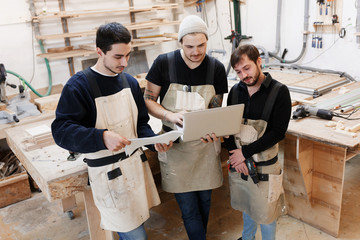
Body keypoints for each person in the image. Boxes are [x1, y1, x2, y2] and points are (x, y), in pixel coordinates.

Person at [51, 22, 172, 240]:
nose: (124, 62)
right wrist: (101, 136)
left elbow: (141, 124)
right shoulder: (79, 86)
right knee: (136, 236)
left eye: (128, 55)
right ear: (99, 52)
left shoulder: (130, 83)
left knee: (138, 222)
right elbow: (61, 131)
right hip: (108, 176)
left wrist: (154, 141)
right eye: (117, 57)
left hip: (135, 169)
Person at [144, 15, 228, 240]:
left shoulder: (216, 69)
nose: (196, 52)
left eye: (201, 45)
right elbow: (148, 100)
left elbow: (216, 106)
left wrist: (216, 129)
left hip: (204, 149)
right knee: (189, 208)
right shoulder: (164, 63)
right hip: (175, 148)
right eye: (189, 46)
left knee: (205, 201)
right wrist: (169, 114)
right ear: (180, 42)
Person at [224, 44, 291, 240]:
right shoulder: (235, 92)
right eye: (238, 72)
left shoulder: (279, 92)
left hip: (266, 167)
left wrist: (244, 154)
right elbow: (228, 130)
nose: (244, 75)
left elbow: (278, 132)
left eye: (247, 68)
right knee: (247, 207)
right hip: (241, 165)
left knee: (267, 214)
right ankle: (248, 238)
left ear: (259, 62)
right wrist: (237, 158)